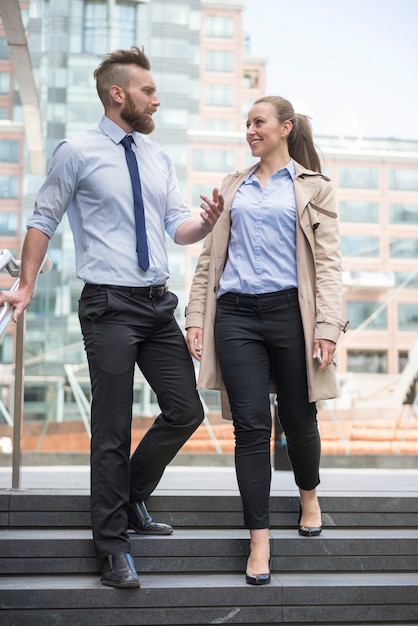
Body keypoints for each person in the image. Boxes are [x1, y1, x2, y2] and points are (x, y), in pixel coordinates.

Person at [0, 46, 223, 589]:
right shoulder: (75, 151)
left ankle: (131, 498)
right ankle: (113, 547)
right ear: (118, 94)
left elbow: (177, 226)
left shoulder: (157, 157)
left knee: (184, 409)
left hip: (155, 303)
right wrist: (25, 284)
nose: (157, 99)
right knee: (111, 429)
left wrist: (208, 222)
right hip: (107, 306)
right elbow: (42, 220)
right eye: (148, 90)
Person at [185, 95, 348, 586]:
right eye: (247, 124)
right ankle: (259, 540)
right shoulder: (233, 187)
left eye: (259, 123)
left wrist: (327, 328)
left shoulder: (313, 188)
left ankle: (308, 494)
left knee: (299, 418)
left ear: (285, 127)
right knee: (251, 428)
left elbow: (329, 265)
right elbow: (210, 259)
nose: (250, 130)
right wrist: (195, 316)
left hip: (291, 316)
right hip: (235, 316)